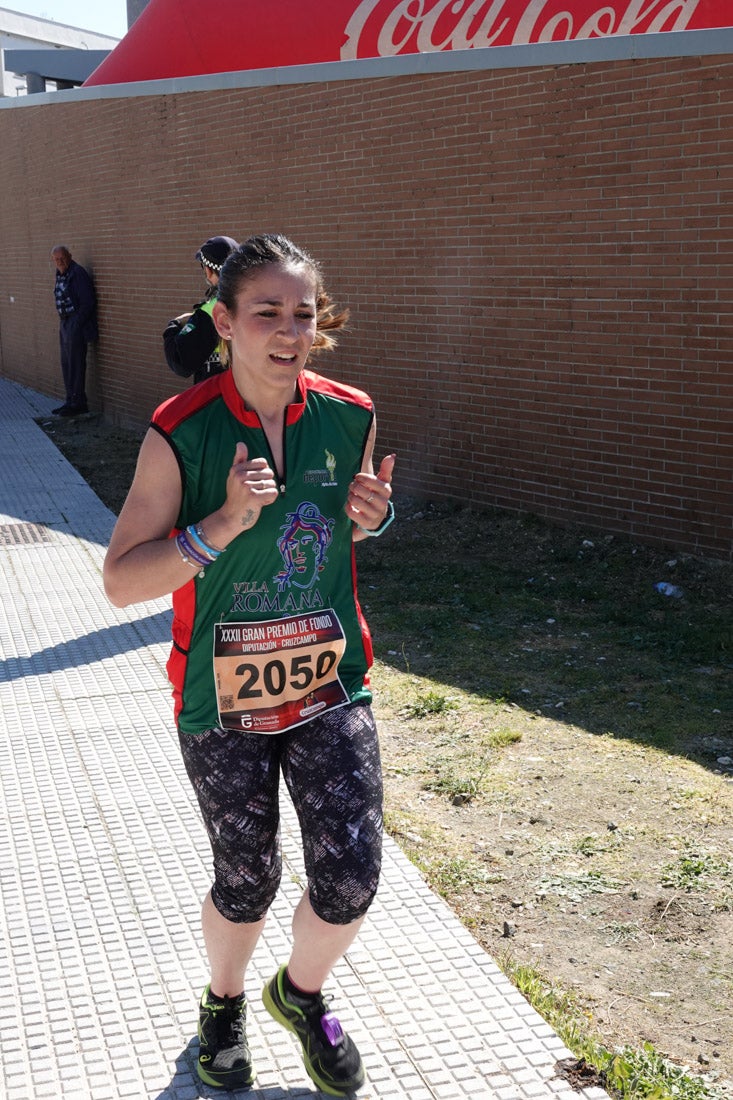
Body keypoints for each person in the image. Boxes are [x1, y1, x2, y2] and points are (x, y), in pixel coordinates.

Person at [104, 234, 396, 1096]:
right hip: (220, 693)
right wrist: (218, 527)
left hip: (328, 678)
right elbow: (122, 580)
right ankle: (223, 1005)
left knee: (349, 876)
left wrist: (372, 518)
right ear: (223, 322)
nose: (287, 330)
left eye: (302, 314)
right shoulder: (181, 429)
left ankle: (297, 995)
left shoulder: (349, 411)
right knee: (248, 878)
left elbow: (345, 531)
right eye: (265, 312)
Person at [163, 235, 239, 385]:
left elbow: (181, 362)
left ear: (209, 271)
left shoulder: (212, 311)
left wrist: (174, 326)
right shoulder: (250, 301)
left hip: (217, 397)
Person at [51, 245, 98, 416]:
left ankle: (78, 403)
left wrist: (76, 323)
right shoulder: (60, 274)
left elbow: (87, 302)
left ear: (70, 256)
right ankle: (70, 400)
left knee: (76, 363)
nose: (60, 262)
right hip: (65, 322)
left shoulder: (77, 273)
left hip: (75, 323)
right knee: (67, 364)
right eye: (57, 260)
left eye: (63, 258)